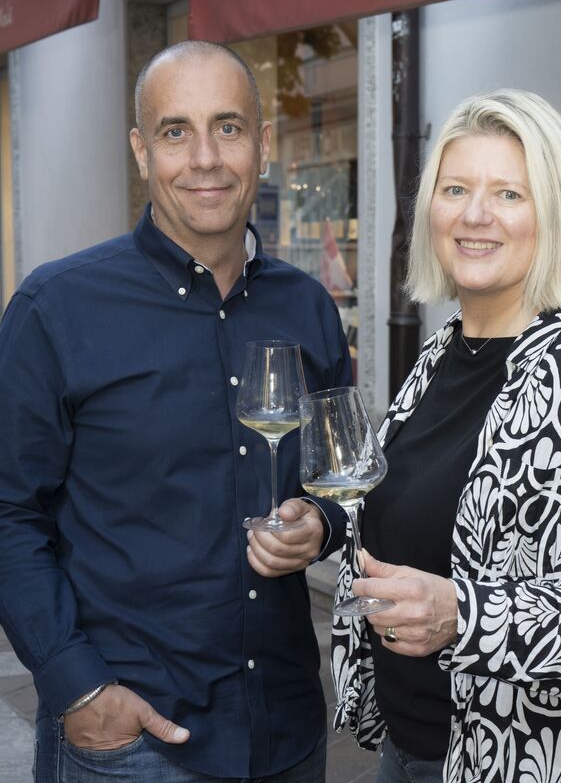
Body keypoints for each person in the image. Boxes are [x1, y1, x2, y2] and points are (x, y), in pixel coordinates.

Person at [0, 41, 353, 781]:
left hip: (286, 729)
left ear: (261, 146)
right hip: (131, 743)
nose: (205, 158)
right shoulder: (56, 308)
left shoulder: (308, 307)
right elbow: (7, 512)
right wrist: (78, 686)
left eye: (227, 127)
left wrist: (322, 523)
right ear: (141, 151)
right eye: (174, 132)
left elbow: (342, 481)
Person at [329, 89, 561, 783]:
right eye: (455, 189)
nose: (475, 215)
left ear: (555, 214)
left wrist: (465, 615)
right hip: (412, 748)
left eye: (509, 194)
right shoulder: (438, 357)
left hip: (531, 760)